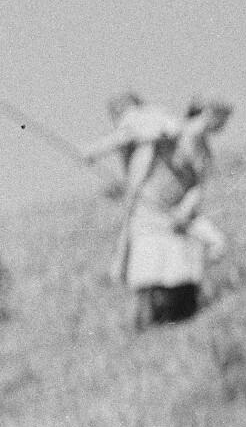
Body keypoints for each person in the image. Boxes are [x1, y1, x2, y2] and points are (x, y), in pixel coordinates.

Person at [83, 94, 234, 326]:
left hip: (177, 214)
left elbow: (197, 187)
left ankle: (179, 316)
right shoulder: (169, 128)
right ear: (207, 115)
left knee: (182, 268)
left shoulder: (204, 153)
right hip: (149, 210)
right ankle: (147, 323)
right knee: (147, 272)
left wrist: (185, 209)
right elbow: (127, 135)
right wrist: (94, 152)